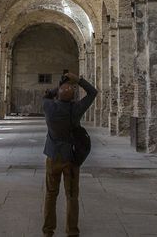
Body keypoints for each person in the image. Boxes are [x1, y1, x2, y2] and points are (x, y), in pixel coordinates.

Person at [41, 72, 97, 236]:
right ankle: (72, 232)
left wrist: (60, 86)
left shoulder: (48, 107)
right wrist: (78, 80)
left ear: (57, 96)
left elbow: (47, 95)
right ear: (73, 98)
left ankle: (48, 231)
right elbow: (93, 92)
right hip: (71, 158)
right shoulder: (76, 109)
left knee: (51, 195)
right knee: (72, 196)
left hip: (53, 156)